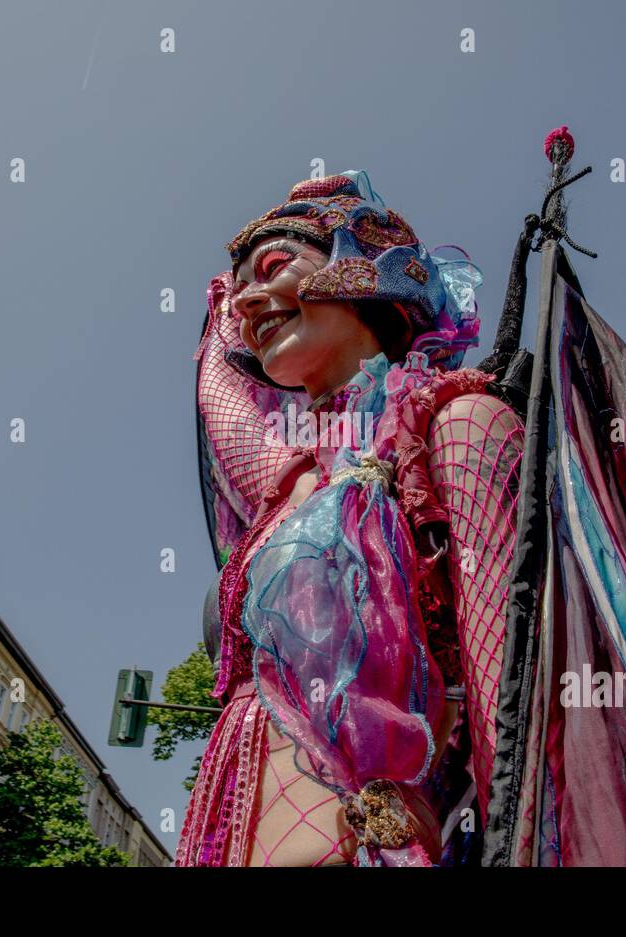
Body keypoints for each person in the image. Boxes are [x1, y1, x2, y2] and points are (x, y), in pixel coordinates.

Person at [180, 170, 518, 866]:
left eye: (275, 268)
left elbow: (511, 698)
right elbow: (226, 413)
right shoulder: (295, 480)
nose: (247, 299)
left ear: (361, 274)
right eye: (237, 289)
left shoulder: (455, 427)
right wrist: (219, 310)